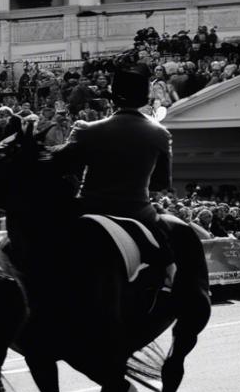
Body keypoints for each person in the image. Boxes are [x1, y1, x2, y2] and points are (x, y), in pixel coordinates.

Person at [51, 64, 176, 287]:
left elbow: (64, 168)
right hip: (137, 209)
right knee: (167, 249)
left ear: (113, 100)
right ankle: (174, 285)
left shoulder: (85, 129)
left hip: (88, 206)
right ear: (144, 99)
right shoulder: (159, 133)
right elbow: (160, 183)